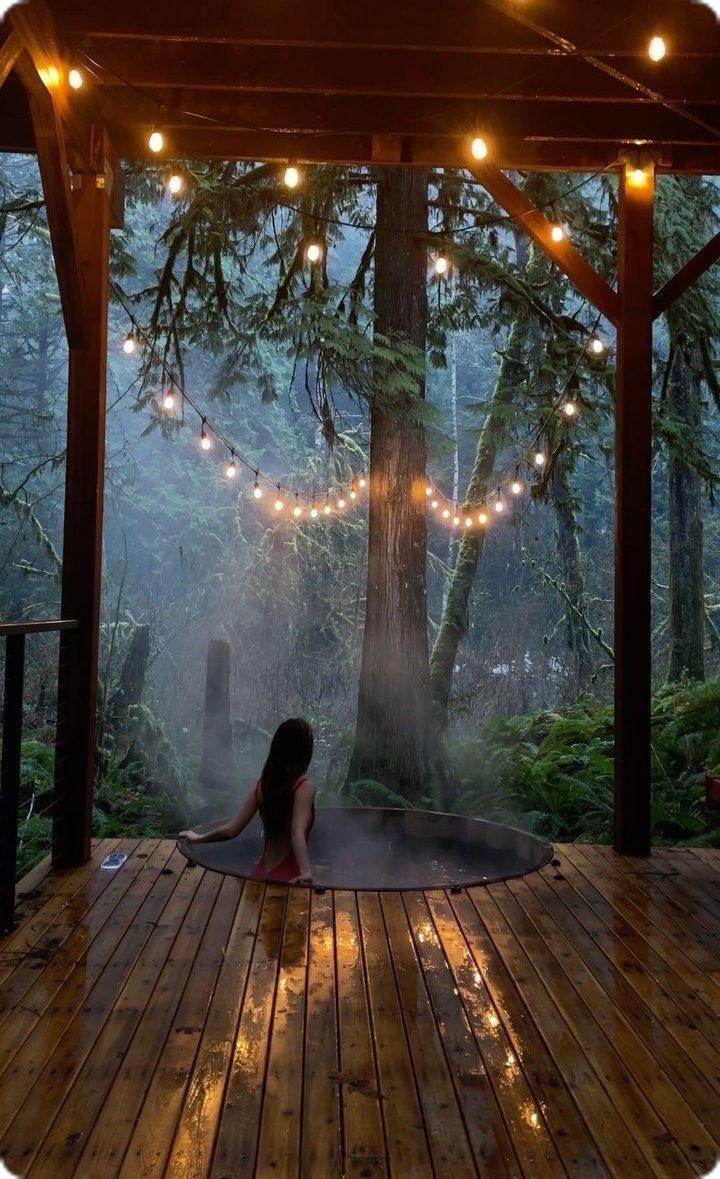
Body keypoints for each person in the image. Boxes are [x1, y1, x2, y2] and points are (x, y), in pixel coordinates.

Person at [178, 717, 315, 885]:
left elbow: (231, 830)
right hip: (289, 875)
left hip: (261, 872)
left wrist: (197, 838)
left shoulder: (262, 786)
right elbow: (297, 832)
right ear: (304, 750)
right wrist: (306, 872)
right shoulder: (304, 787)